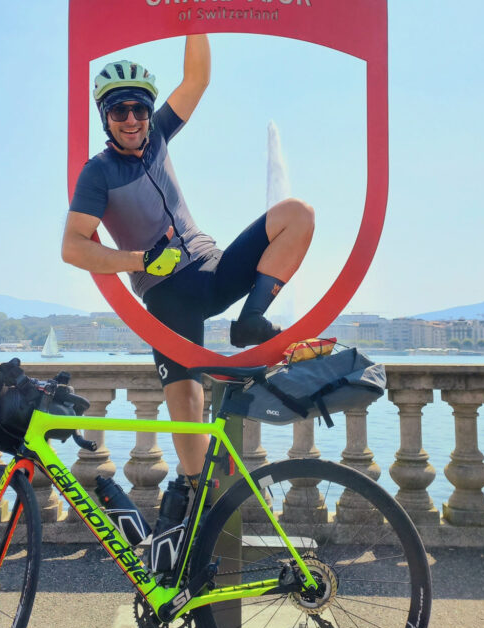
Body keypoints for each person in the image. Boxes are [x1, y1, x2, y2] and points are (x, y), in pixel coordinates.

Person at [62, 34, 314, 489]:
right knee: (191, 430)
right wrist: (142, 260)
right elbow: (73, 246)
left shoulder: (157, 136)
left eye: (140, 109)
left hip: (211, 268)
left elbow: (196, 79)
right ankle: (200, 516)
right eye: (120, 111)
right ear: (106, 117)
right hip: (167, 298)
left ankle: (250, 319)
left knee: (297, 214)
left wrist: (192, 11)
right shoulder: (97, 173)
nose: (133, 120)